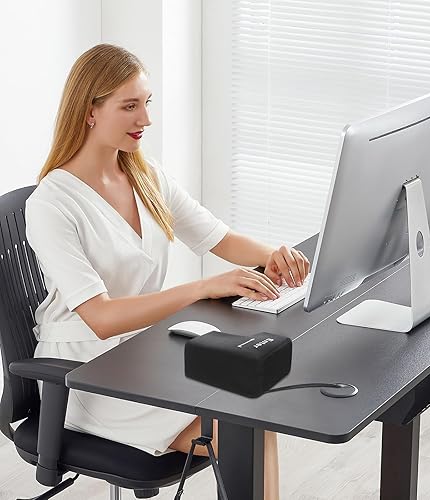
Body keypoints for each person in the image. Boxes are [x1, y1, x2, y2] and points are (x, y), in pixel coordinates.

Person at [25, 44, 310, 499]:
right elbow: (101, 318)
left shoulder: (145, 175)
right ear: (90, 111)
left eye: (147, 103)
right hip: (84, 374)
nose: (146, 119)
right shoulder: (51, 204)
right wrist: (202, 287)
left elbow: (219, 238)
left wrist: (275, 255)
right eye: (130, 106)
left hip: (143, 355)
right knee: (244, 428)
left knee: (255, 416)